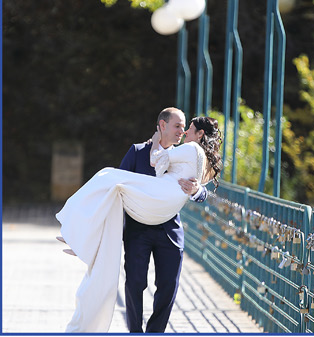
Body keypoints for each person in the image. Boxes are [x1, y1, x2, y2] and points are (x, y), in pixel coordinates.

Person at [56, 110, 221, 332]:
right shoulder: (137, 151)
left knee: (169, 286)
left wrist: (196, 190)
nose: (182, 131)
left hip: (168, 230)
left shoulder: (188, 153)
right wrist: (92, 233)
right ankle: (135, 332)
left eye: (185, 127)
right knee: (134, 284)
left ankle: (155, 333)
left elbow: (203, 193)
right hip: (137, 229)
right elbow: (115, 192)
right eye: (178, 126)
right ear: (162, 125)